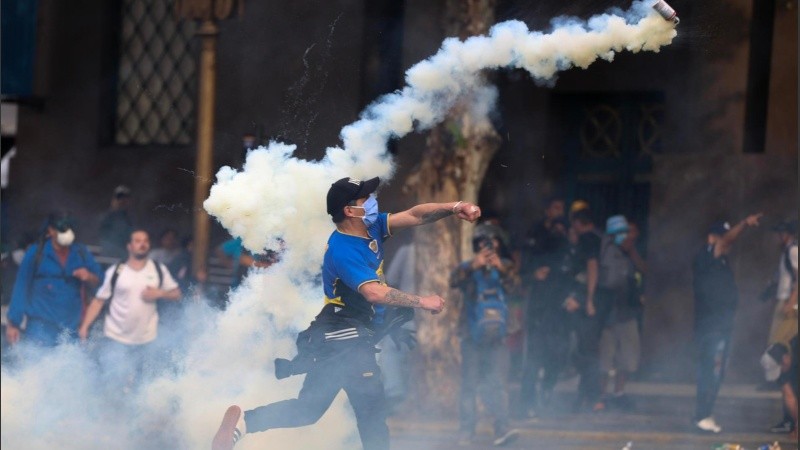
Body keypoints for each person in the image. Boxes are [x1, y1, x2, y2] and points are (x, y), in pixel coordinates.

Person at [211, 176, 481, 450]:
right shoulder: (343, 250)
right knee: (373, 415)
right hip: (346, 339)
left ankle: (243, 424)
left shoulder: (370, 227)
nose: (373, 200)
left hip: (333, 339)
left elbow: (415, 215)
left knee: (307, 410)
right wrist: (423, 301)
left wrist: (455, 206)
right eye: (365, 198)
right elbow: (374, 292)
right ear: (350, 211)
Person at [79, 229, 181, 389]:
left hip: (146, 338)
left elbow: (176, 293)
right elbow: (99, 301)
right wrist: (85, 326)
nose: (142, 244)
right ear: (129, 246)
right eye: (138, 241)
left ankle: (135, 413)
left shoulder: (158, 270)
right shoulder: (116, 271)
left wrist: (159, 293)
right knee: (113, 381)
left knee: (141, 385)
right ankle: (111, 411)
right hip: (115, 337)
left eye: (145, 241)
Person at [692, 213, 762, 433]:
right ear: (711, 238)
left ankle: (706, 413)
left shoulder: (721, 260)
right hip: (711, 327)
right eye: (722, 237)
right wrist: (744, 224)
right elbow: (726, 241)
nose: (728, 242)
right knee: (710, 370)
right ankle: (702, 415)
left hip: (721, 326)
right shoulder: (706, 255)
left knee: (717, 371)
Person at [450, 233, 520, 447]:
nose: (489, 248)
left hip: (497, 336)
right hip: (471, 335)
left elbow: (516, 288)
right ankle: (466, 431)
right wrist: (473, 266)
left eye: (493, 243)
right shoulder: (467, 267)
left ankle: (502, 428)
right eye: (484, 244)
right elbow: (453, 281)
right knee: (469, 384)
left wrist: (501, 269)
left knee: (497, 383)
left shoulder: (505, 266)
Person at [5, 212, 102, 347]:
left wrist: (89, 276)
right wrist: (13, 323)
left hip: (70, 329)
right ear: (50, 230)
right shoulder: (35, 253)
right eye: (61, 229)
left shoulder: (81, 252)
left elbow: (101, 282)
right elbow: (21, 287)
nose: (66, 232)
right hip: (40, 327)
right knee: (39, 366)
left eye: (68, 228)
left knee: (69, 366)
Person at [597, 215, 647, 411]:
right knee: (605, 359)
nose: (628, 236)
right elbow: (609, 282)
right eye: (625, 233)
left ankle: (619, 393)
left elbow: (643, 270)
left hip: (627, 314)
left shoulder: (629, 253)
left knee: (627, 358)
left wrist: (631, 251)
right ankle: (600, 396)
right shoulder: (606, 253)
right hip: (609, 315)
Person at [569, 208, 606, 412]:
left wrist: (588, 299)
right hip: (597, 301)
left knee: (588, 352)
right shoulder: (600, 238)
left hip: (588, 302)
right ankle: (586, 395)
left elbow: (592, 268)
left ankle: (593, 397)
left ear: (579, 223)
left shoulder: (588, 239)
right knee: (586, 350)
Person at [766, 219, 798, 434]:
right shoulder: (787, 251)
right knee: (780, 357)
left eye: (779, 232)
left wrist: (791, 302)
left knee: (779, 354)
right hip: (785, 303)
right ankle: (788, 417)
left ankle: (791, 418)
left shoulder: (793, 250)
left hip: (789, 306)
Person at [761, 334, 798, 440]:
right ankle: (789, 422)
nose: (780, 374)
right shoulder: (784, 365)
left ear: (786, 359)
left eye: (779, 369)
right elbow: (789, 395)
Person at [99, 185, 134, 260]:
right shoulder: (104, 218)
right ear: (113, 200)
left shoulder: (132, 220)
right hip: (108, 258)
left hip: (126, 258)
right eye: (119, 198)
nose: (121, 201)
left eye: (125, 199)